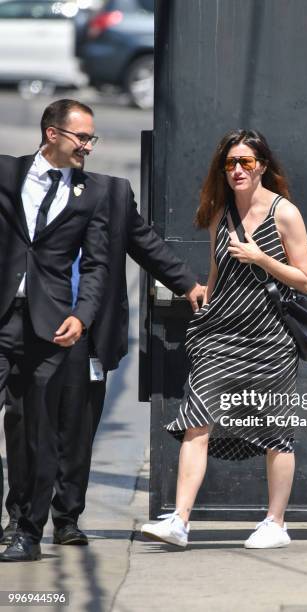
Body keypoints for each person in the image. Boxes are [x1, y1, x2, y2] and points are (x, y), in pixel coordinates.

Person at [2, 151, 205, 544]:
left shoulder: (107, 193)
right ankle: (20, 517)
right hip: (28, 325)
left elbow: (145, 243)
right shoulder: (20, 188)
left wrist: (187, 283)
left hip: (86, 330)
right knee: (26, 423)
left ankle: (66, 516)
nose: (87, 147)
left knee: (76, 426)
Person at [141, 129, 307, 549]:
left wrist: (260, 257)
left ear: (263, 167)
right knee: (196, 420)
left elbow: (306, 280)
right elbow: (216, 277)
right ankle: (180, 520)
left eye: (246, 163)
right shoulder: (220, 214)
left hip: (270, 339)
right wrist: (203, 318)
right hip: (222, 337)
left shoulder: (283, 212)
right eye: (231, 163)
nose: (237, 170)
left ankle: (276, 523)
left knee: (275, 430)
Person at [0, 99, 109, 561]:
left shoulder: (93, 194)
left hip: (51, 327)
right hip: (3, 318)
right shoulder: (6, 175)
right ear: (51, 134)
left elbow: (100, 264)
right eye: (81, 137)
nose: (88, 146)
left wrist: (81, 315)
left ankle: (26, 528)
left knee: (34, 431)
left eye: (91, 139)